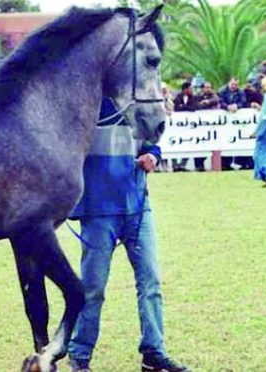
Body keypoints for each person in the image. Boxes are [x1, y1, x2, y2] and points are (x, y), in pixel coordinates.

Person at [68, 99, 191, 372]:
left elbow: (152, 140)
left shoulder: (137, 103)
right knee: (93, 287)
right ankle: (79, 354)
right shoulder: (88, 102)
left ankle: (154, 353)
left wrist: (153, 155)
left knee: (151, 283)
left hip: (137, 207)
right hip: (98, 210)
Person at [191, 81, 221, 171]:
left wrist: (207, 102)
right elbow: (194, 104)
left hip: (211, 126)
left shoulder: (213, 96)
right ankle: (199, 165)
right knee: (199, 145)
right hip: (199, 126)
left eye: (209, 87)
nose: (208, 89)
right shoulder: (197, 96)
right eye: (206, 87)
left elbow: (216, 100)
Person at [219, 78, 247, 170]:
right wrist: (227, 107)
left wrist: (237, 106)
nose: (234, 86)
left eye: (236, 85)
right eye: (232, 84)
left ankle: (239, 162)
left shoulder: (240, 92)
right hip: (224, 121)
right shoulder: (222, 91)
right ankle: (225, 164)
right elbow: (220, 102)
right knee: (225, 140)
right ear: (229, 83)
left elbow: (243, 102)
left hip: (237, 122)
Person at [171, 82, 196, 171]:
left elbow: (194, 108)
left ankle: (183, 165)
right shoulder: (178, 97)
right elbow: (177, 108)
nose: (192, 90)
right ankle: (175, 165)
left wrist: (184, 107)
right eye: (190, 88)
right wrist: (185, 107)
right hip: (178, 126)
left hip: (189, 127)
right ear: (185, 89)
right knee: (174, 143)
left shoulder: (193, 98)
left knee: (188, 143)